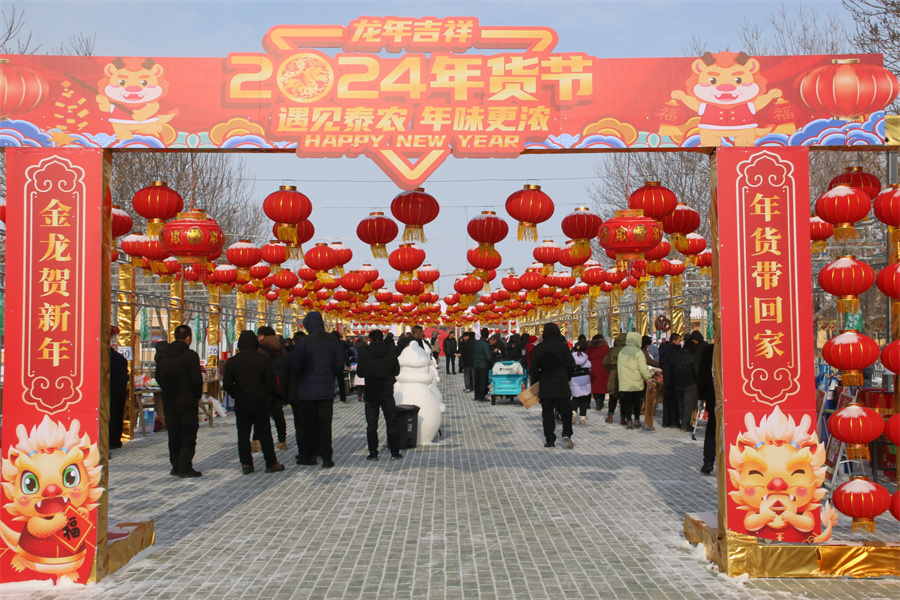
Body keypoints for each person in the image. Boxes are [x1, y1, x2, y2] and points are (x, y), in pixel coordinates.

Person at [223, 331, 285, 474]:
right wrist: (265, 395)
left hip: (242, 403)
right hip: (260, 402)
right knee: (265, 433)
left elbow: (227, 384)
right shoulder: (262, 360)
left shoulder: (233, 361)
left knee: (243, 435)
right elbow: (270, 381)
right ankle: (271, 462)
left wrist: (236, 394)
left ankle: (246, 464)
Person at [291, 311, 345, 468]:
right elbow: (339, 364)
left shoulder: (305, 342)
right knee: (325, 424)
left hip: (308, 390)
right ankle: (327, 457)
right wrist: (330, 376)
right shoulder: (332, 340)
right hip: (326, 389)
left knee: (309, 424)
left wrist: (303, 377)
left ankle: (310, 455)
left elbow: (297, 365)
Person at [155, 325, 203, 477]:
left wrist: (167, 389)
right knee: (189, 434)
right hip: (188, 401)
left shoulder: (163, 355)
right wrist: (196, 396)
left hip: (169, 401)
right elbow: (197, 380)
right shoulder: (190, 356)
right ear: (188, 338)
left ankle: (175, 466)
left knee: (174, 434)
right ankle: (185, 466)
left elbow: (158, 376)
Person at [356, 329, 403, 461]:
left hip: (371, 391)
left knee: (371, 424)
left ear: (369, 339)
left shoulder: (364, 352)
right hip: (387, 391)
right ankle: (394, 452)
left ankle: (373, 452)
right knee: (391, 422)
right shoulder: (390, 351)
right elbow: (397, 371)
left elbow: (360, 373)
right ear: (382, 338)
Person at [530, 323, 576, 448]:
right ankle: (567, 433)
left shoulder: (539, 348)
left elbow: (533, 367)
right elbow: (571, 364)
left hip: (546, 384)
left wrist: (539, 378)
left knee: (547, 413)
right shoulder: (563, 346)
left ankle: (550, 439)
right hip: (561, 384)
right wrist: (567, 376)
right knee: (566, 411)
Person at [253, 326, 288, 451]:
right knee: (278, 414)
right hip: (278, 386)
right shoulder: (282, 349)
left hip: (263, 386)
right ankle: (282, 441)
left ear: (262, 336)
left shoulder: (259, 350)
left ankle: (256, 441)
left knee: (260, 414)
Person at [617, 332, 654, 430]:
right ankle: (637, 420)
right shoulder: (638, 352)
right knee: (637, 402)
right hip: (636, 381)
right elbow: (643, 367)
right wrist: (648, 378)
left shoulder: (622, 351)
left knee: (627, 402)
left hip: (625, 381)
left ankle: (629, 420)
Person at [670, 331, 703, 432]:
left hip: (678, 383)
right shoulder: (692, 357)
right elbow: (696, 372)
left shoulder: (676, 355)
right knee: (688, 404)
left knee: (681, 404)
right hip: (690, 384)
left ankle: (682, 422)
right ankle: (685, 425)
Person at [108, 327, 129, 451]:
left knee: (109, 417)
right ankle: (115, 440)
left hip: (109, 392)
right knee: (117, 416)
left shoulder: (105, 359)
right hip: (120, 391)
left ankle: (110, 440)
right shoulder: (121, 359)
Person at [698, 339, 716, 474]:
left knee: (711, 429)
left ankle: (708, 461)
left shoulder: (710, 350)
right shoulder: (738, 348)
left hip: (713, 397)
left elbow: (702, 376)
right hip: (735, 399)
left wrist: (702, 396)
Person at [601, 333, 627, 424]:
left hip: (613, 372)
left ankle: (610, 416)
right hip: (625, 373)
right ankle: (623, 418)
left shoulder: (612, 350)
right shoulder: (627, 350)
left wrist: (610, 370)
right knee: (624, 396)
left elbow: (604, 363)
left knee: (613, 394)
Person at [658, 333, 682, 427]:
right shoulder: (673, 351)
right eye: (679, 341)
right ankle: (674, 421)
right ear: (674, 341)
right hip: (674, 378)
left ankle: (666, 421)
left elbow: (661, 364)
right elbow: (675, 364)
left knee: (667, 400)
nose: (680, 343)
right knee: (674, 401)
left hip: (666, 378)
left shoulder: (663, 350)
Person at [570, 342, 592, 425]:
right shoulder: (585, 357)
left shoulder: (571, 357)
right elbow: (590, 367)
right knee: (584, 399)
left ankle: (573, 412)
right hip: (585, 379)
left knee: (575, 398)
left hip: (574, 378)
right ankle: (583, 417)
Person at [585, 335, 609, 412]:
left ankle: (598, 402)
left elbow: (586, 357)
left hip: (593, 369)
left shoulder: (590, 348)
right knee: (602, 386)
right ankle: (601, 401)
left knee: (595, 387)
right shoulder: (606, 347)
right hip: (604, 369)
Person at [473, 328, 493, 401]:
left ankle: (476, 396)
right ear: (487, 335)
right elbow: (488, 357)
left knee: (477, 381)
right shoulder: (486, 345)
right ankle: (481, 397)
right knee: (483, 381)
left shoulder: (475, 343)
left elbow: (472, 353)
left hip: (476, 364)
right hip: (484, 365)